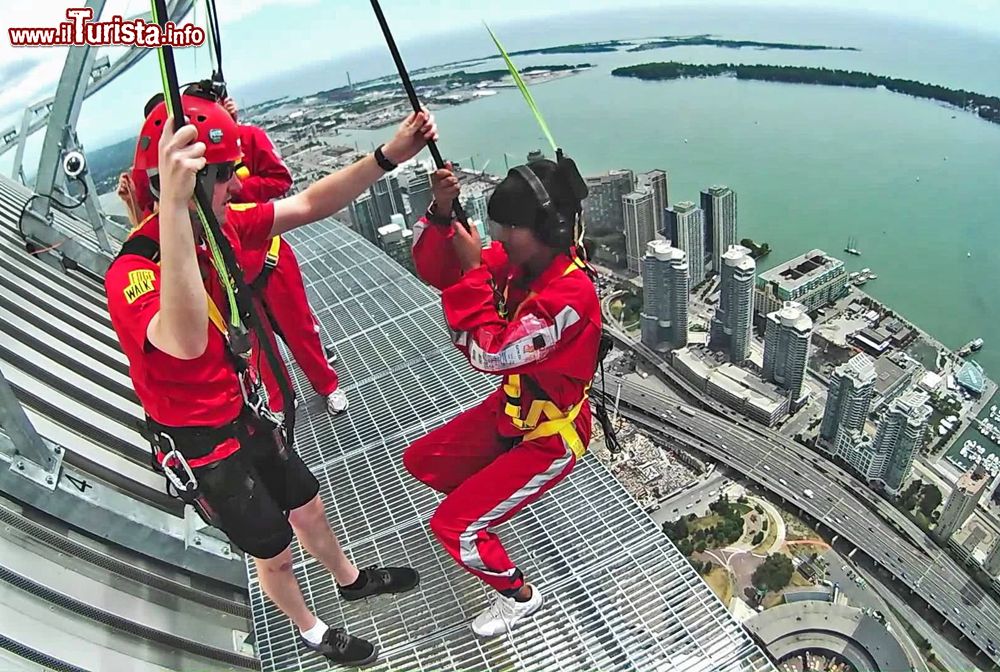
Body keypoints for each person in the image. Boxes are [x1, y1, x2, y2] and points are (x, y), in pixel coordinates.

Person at [104, 91, 436, 666]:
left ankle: (350, 579)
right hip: (204, 445)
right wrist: (178, 215)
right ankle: (311, 630)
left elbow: (306, 204)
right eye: (226, 175)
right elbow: (184, 341)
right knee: (275, 551)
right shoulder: (132, 271)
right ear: (188, 185)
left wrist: (388, 156)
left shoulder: (220, 228)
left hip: (246, 411)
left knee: (309, 506)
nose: (236, 185)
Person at [403, 157, 602, 637]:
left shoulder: (568, 297)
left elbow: (490, 354)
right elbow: (439, 272)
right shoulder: (524, 263)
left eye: (510, 230)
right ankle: (481, 513)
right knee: (423, 461)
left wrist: (474, 271)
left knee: (452, 528)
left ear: (548, 229)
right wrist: (442, 213)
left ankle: (518, 596)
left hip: (551, 437)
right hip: (513, 413)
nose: (501, 239)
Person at [222, 95, 348, 415]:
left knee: (301, 332)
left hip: (270, 258)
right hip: (233, 277)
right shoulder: (185, 174)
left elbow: (281, 180)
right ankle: (282, 406)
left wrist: (234, 195)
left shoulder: (248, 140)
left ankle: (328, 385)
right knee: (262, 354)